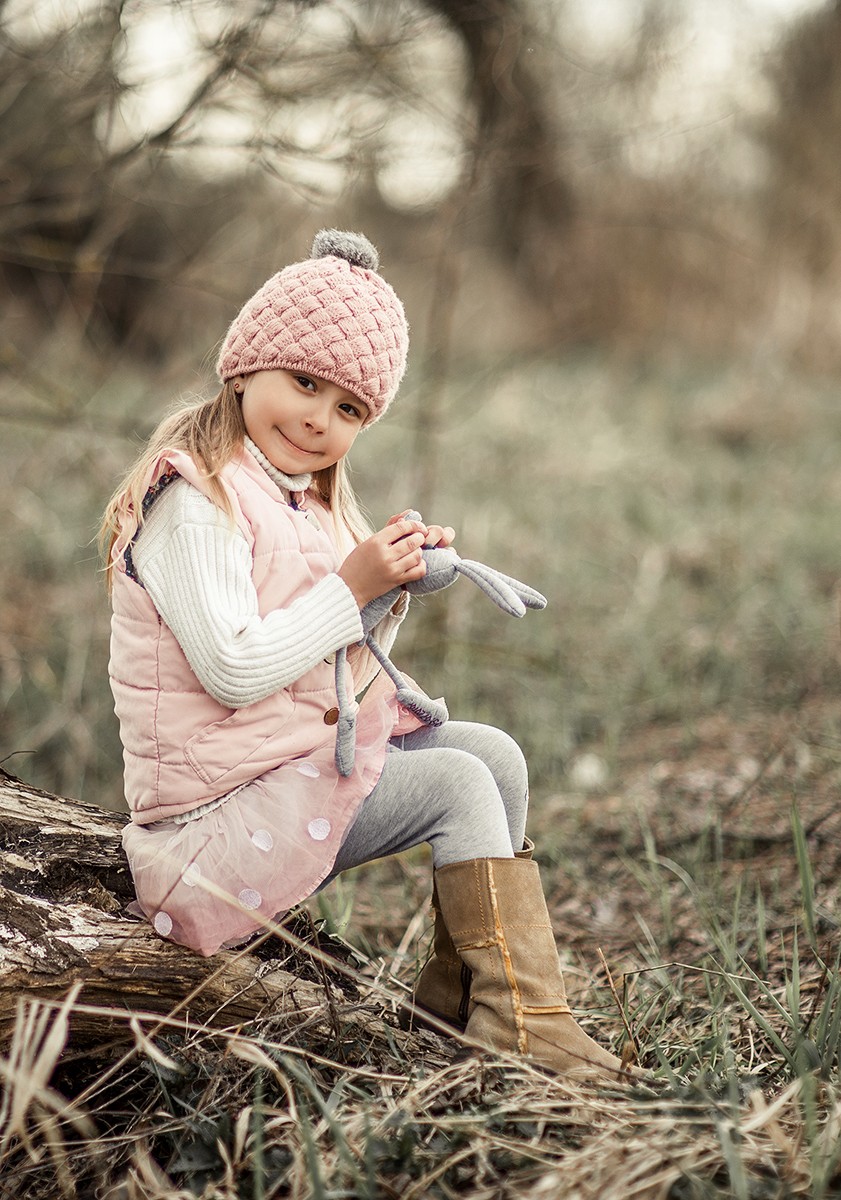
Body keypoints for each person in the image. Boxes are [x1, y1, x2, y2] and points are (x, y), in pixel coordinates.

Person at [100, 229, 633, 1080]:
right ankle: (526, 1028)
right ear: (244, 366)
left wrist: (388, 587)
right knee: (457, 784)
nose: (318, 418)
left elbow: (333, 660)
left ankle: (462, 1004)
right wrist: (349, 587)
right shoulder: (193, 500)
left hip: (275, 773)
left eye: (349, 409)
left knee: (492, 756)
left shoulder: (298, 502)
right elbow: (234, 670)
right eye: (303, 383)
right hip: (204, 832)